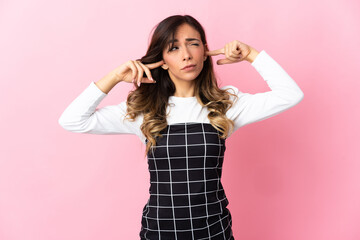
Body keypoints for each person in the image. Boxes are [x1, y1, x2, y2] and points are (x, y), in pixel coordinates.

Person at [58, 14, 304, 240]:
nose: (186, 54)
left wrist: (251, 54)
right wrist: (114, 76)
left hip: (213, 230)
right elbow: (72, 120)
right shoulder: (144, 110)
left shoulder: (226, 104)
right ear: (162, 61)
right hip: (159, 231)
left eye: (193, 44)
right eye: (174, 48)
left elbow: (290, 95)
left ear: (205, 52)